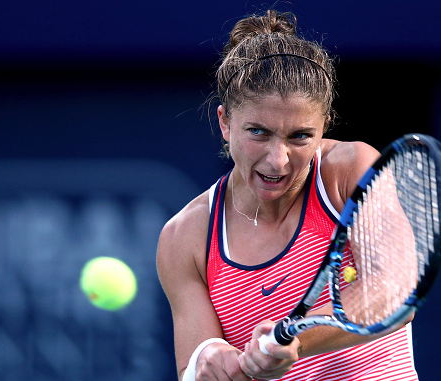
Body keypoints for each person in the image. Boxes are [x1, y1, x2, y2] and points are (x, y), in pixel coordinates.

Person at [157, 9, 419, 381]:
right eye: (258, 132)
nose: (277, 161)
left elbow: (396, 293)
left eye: (299, 136)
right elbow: (193, 365)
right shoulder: (185, 236)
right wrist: (209, 359)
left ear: (324, 127)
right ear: (225, 122)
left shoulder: (349, 170)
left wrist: (294, 338)